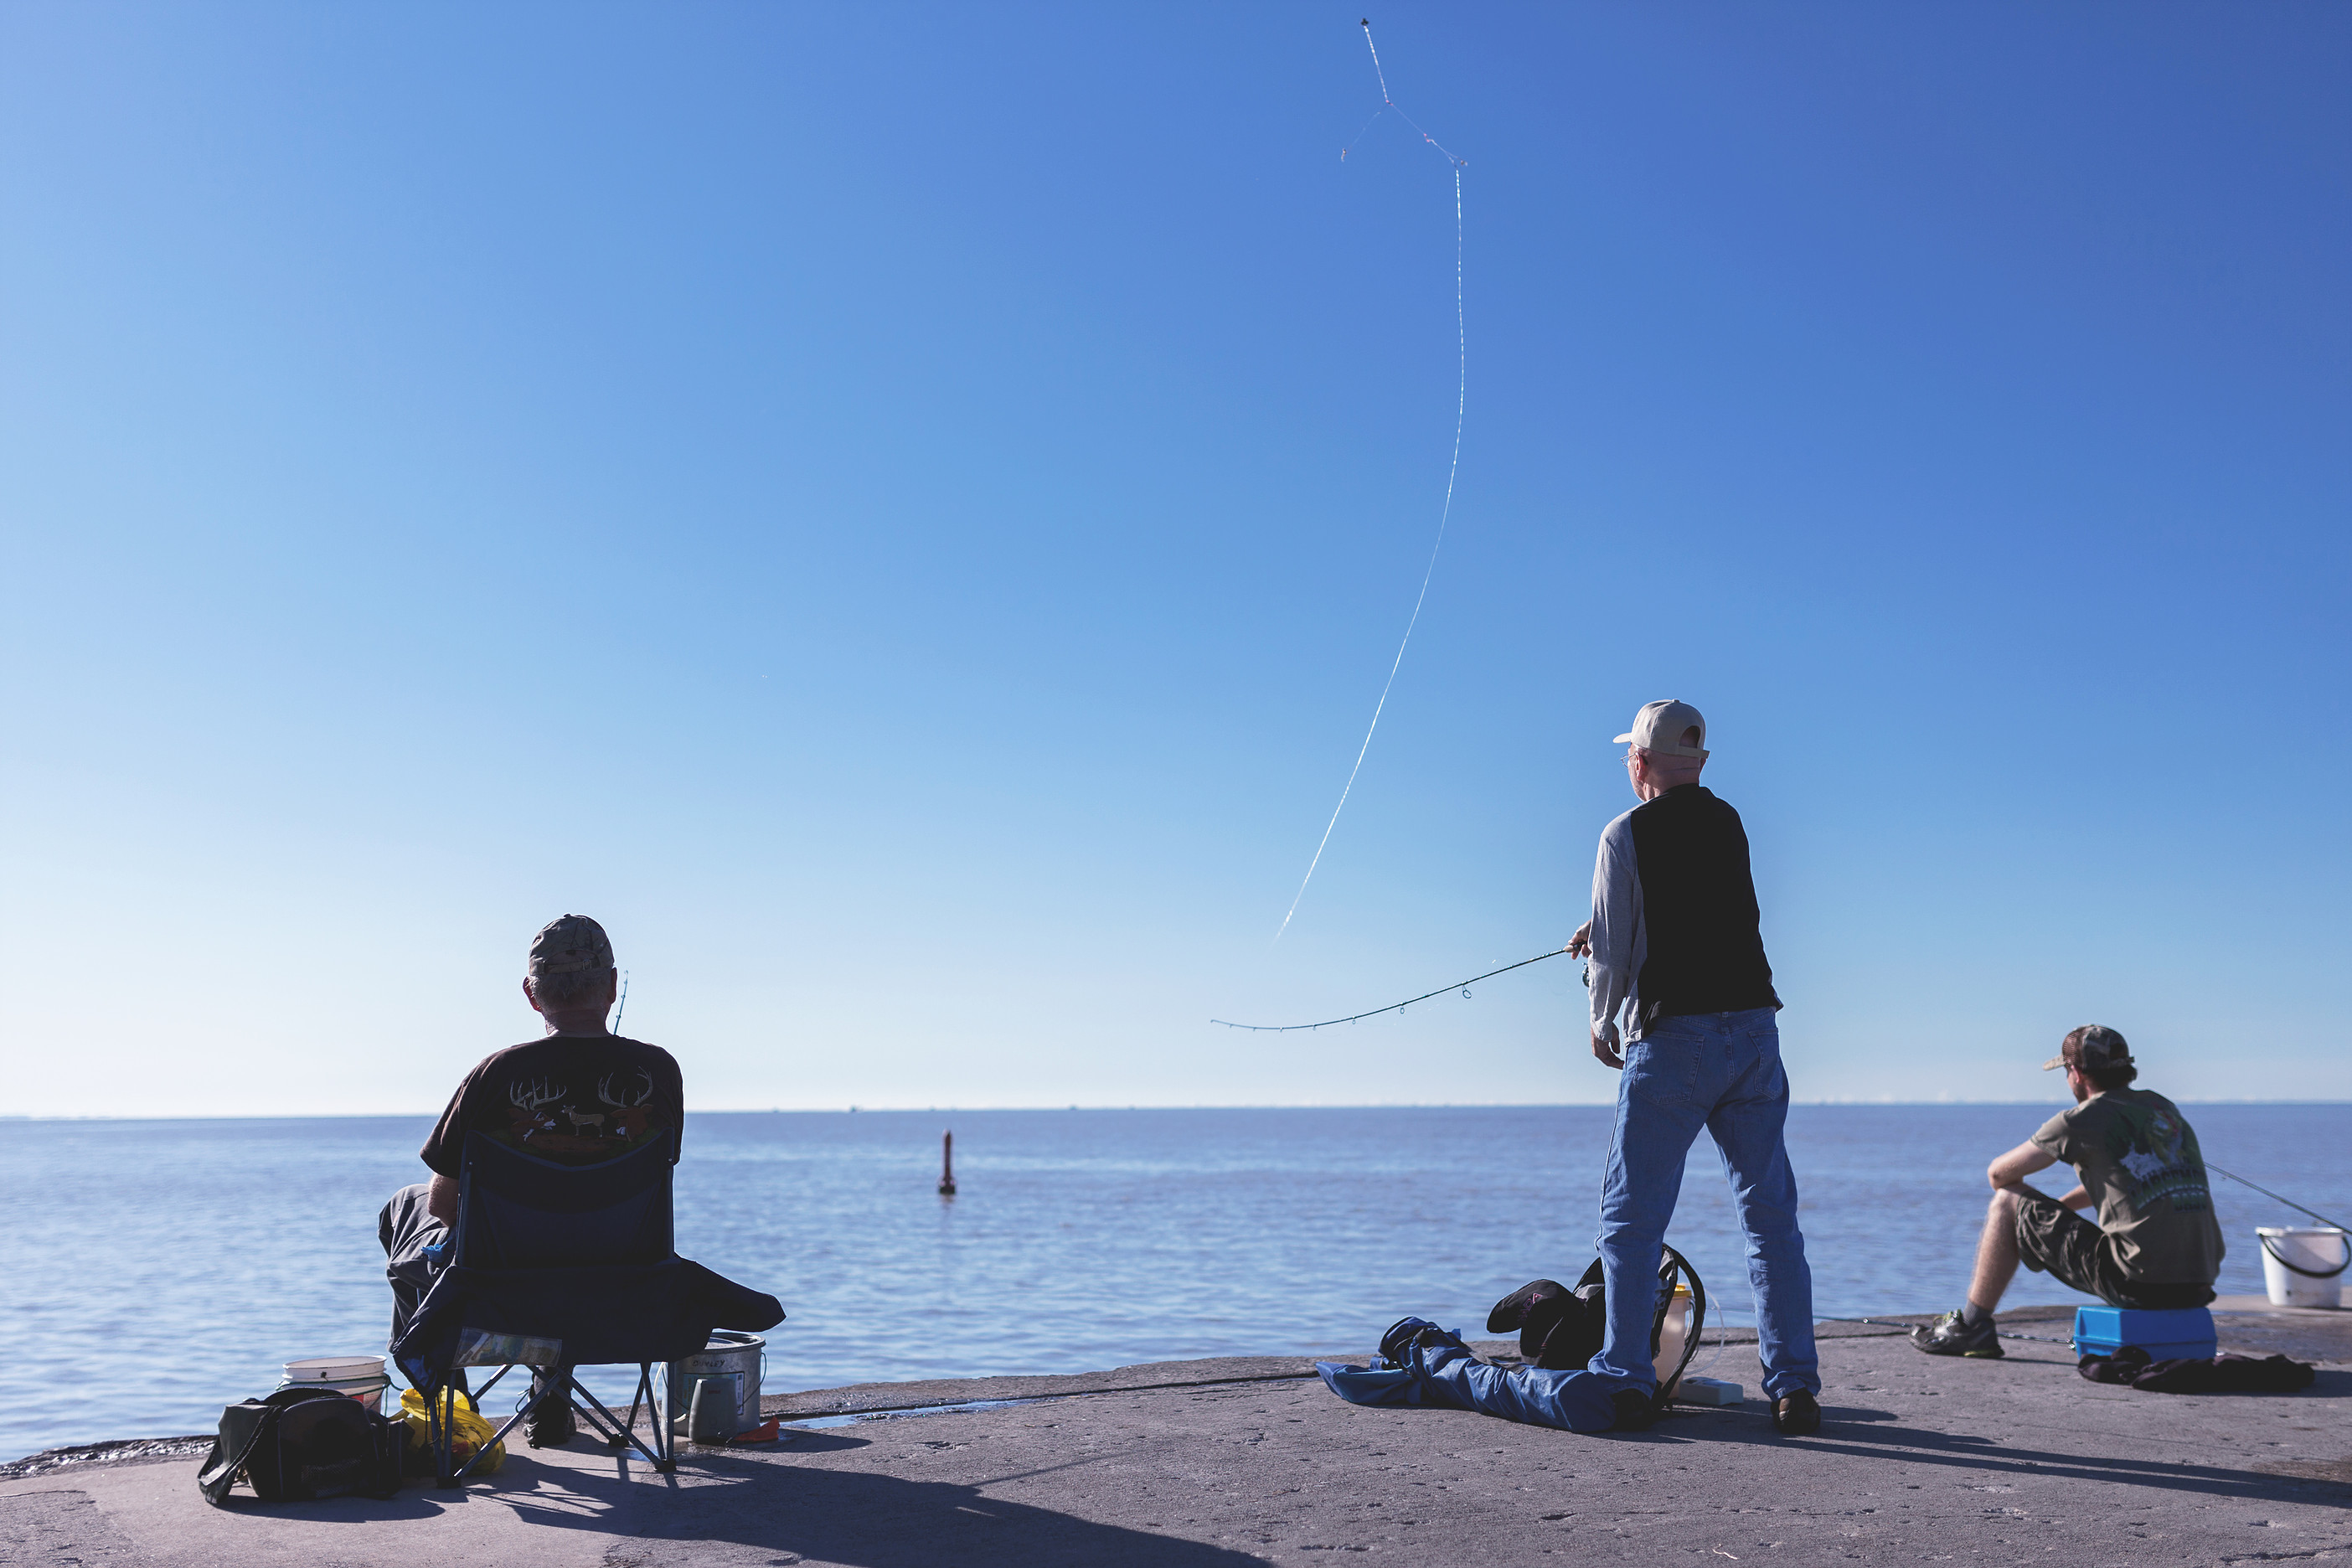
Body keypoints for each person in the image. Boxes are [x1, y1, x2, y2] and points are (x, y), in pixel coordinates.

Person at [1565, 699, 1822, 1436]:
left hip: (1673, 1038)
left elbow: (1613, 955)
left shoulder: (1625, 831)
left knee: (1631, 1222)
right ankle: (1794, 1386)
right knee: (1771, 1221)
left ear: (1639, 763)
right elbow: (1700, 910)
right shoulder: (1730, 821)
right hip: (1754, 1033)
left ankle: (1624, 1376)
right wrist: (1613, 923)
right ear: (1698, 762)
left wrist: (1597, 1019)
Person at [378, 913, 684, 1446]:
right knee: (571, 1228)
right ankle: (550, 1398)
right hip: (624, 1288)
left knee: (406, 1207)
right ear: (612, 987)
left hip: (499, 1295)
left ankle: (455, 1418)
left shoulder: (497, 1074)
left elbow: (446, 1209)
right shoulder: (659, 1073)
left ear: (531, 993)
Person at [1910, 1025, 2222, 1359]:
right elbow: (2127, 1182)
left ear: (2075, 1072)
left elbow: (1998, 1174)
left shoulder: (2078, 1121)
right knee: (2021, 1208)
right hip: (2199, 1287)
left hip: (2138, 1286)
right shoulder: (2163, 1109)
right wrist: (2058, 1211)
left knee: (2006, 1201)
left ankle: (1972, 1327)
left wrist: (2029, 1219)